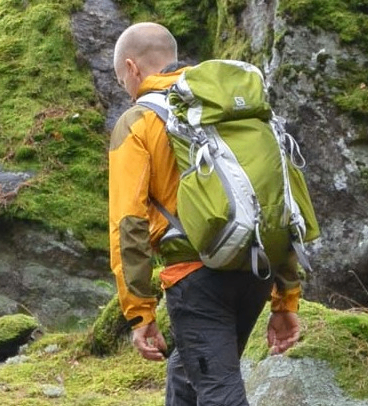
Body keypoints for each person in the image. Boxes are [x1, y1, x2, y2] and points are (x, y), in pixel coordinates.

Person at [108, 22, 303, 405]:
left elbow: (128, 223)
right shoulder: (228, 109)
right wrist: (286, 297)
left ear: (132, 68)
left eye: (121, 82)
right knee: (187, 374)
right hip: (255, 268)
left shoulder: (138, 121)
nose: (126, 91)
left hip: (196, 280)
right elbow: (279, 198)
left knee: (219, 393)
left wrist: (139, 313)